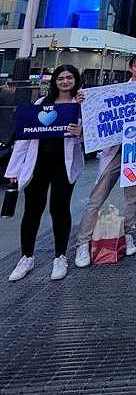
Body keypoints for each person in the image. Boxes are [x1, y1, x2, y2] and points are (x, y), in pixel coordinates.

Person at [75, 52, 136, 268]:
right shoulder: (113, 93)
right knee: (96, 197)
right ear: (130, 68)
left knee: (132, 197)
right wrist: (80, 100)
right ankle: (83, 242)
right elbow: (94, 116)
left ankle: (128, 233)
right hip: (114, 151)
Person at [7, 65, 84, 283]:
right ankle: (26, 257)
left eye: (69, 77)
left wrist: (82, 133)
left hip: (63, 164)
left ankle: (60, 256)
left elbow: (93, 136)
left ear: (75, 80)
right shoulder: (41, 104)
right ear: (55, 81)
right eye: (61, 78)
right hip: (38, 163)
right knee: (32, 210)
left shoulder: (80, 104)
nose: (65, 81)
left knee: (60, 209)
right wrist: (14, 170)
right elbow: (24, 139)